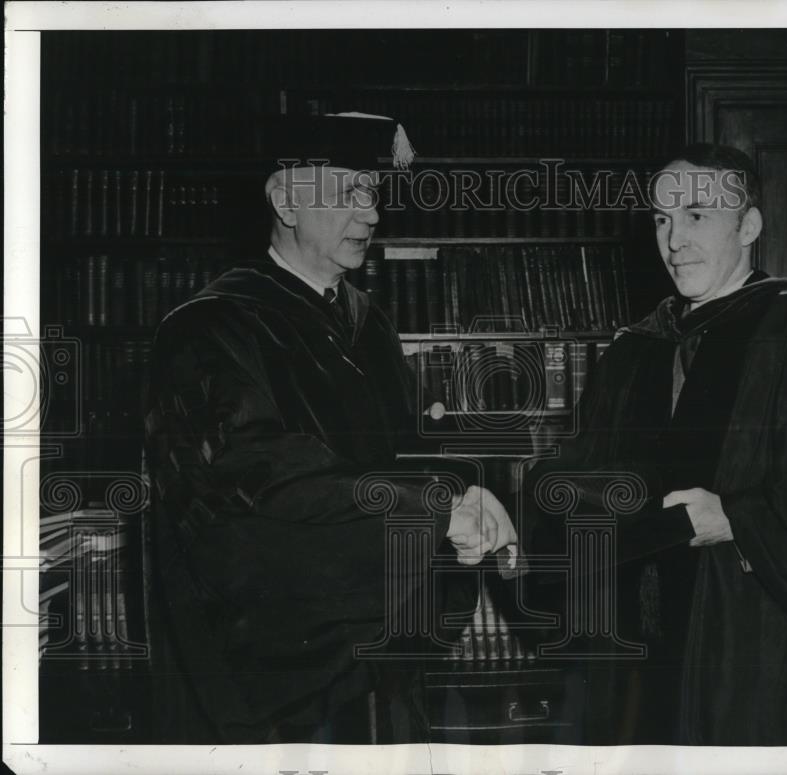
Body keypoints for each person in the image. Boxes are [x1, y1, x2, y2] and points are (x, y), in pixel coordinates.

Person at [526, 143, 787, 745]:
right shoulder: (634, 351)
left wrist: (743, 520)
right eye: (663, 220)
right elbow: (595, 479)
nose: (674, 241)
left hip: (764, 648)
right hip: (643, 651)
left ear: (748, 225)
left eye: (697, 216)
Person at [143, 113, 515, 744]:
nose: (370, 215)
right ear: (286, 202)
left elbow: (409, 453)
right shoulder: (211, 327)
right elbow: (258, 469)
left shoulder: (368, 324)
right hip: (283, 675)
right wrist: (433, 510)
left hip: (385, 646)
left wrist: (472, 495)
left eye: (372, 195)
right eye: (348, 194)